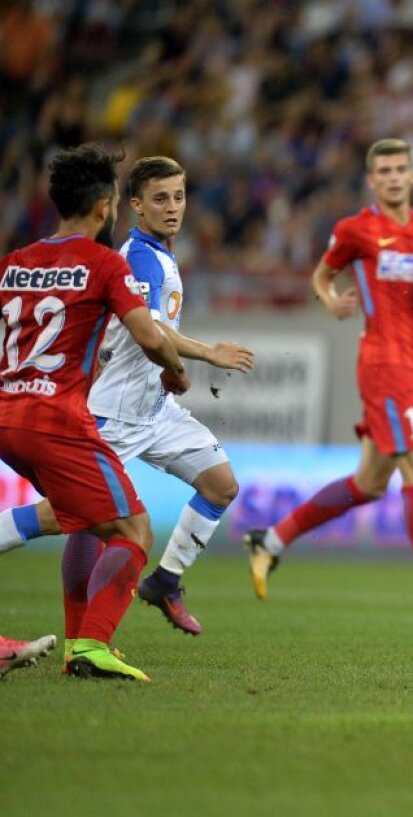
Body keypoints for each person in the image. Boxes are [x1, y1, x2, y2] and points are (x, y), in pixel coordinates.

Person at [0, 156, 255, 636]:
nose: (173, 207)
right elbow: (152, 328)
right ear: (132, 205)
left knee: (221, 484)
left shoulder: (158, 253)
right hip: (113, 413)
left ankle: (165, 580)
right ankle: (83, 633)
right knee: (72, 517)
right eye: (160, 198)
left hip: (155, 409)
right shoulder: (137, 256)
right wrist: (205, 354)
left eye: (179, 196)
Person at [243, 139, 413, 628]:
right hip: (382, 365)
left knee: (370, 483)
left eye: (401, 168)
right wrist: (329, 299)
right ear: (371, 180)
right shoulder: (356, 230)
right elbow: (322, 275)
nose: (394, 177)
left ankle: (270, 540)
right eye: (384, 170)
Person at [0, 143, 191, 682]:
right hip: (56, 421)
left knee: (76, 517)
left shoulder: (13, 264)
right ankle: (90, 644)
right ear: (108, 207)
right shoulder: (103, 263)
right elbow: (149, 335)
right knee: (132, 530)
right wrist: (176, 370)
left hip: (7, 417)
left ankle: (80, 643)